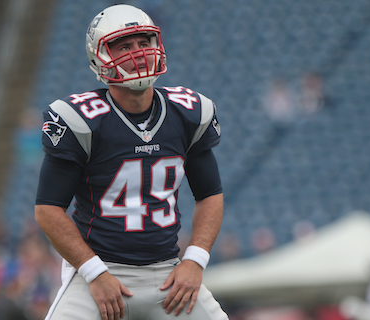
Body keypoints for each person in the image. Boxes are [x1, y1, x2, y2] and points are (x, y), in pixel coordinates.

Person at [34, 4, 228, 320]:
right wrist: (94, 273)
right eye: (124, 45)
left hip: (168, 273)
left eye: (144, 42)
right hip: (99, 274)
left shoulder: (187, 113)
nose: (138, 53)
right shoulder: (81, 120)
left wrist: (194, 260)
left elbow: (210, 195)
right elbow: (47, 210)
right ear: (100, 56)